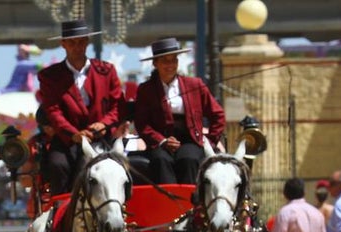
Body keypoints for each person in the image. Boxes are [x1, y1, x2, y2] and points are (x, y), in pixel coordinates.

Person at [37, 19, 124, 195]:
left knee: (102, 169)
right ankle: (60, 211)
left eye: (81, 41)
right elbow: (53, 110)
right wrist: (74, 134)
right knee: (57, 165)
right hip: (66, 139)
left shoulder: (106, 71)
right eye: (72, 42)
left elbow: (117, 106)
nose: (77, 46)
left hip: (100, 139)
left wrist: (103, 124)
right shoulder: (50, 76)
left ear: (87, 42)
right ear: (63, 44)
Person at [133, 37, 225, 185]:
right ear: (155, 63)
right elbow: (142, 123)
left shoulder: (195, 84)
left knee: (189, 159)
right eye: (165, 61)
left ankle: (190, 204)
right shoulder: (146, 90)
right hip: (161, 143)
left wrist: (210, 141)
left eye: (173, 60)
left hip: (190, 140)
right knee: (160, 159)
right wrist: (162, 141)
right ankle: (168, 202)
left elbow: (217, 114)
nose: (170, 65)